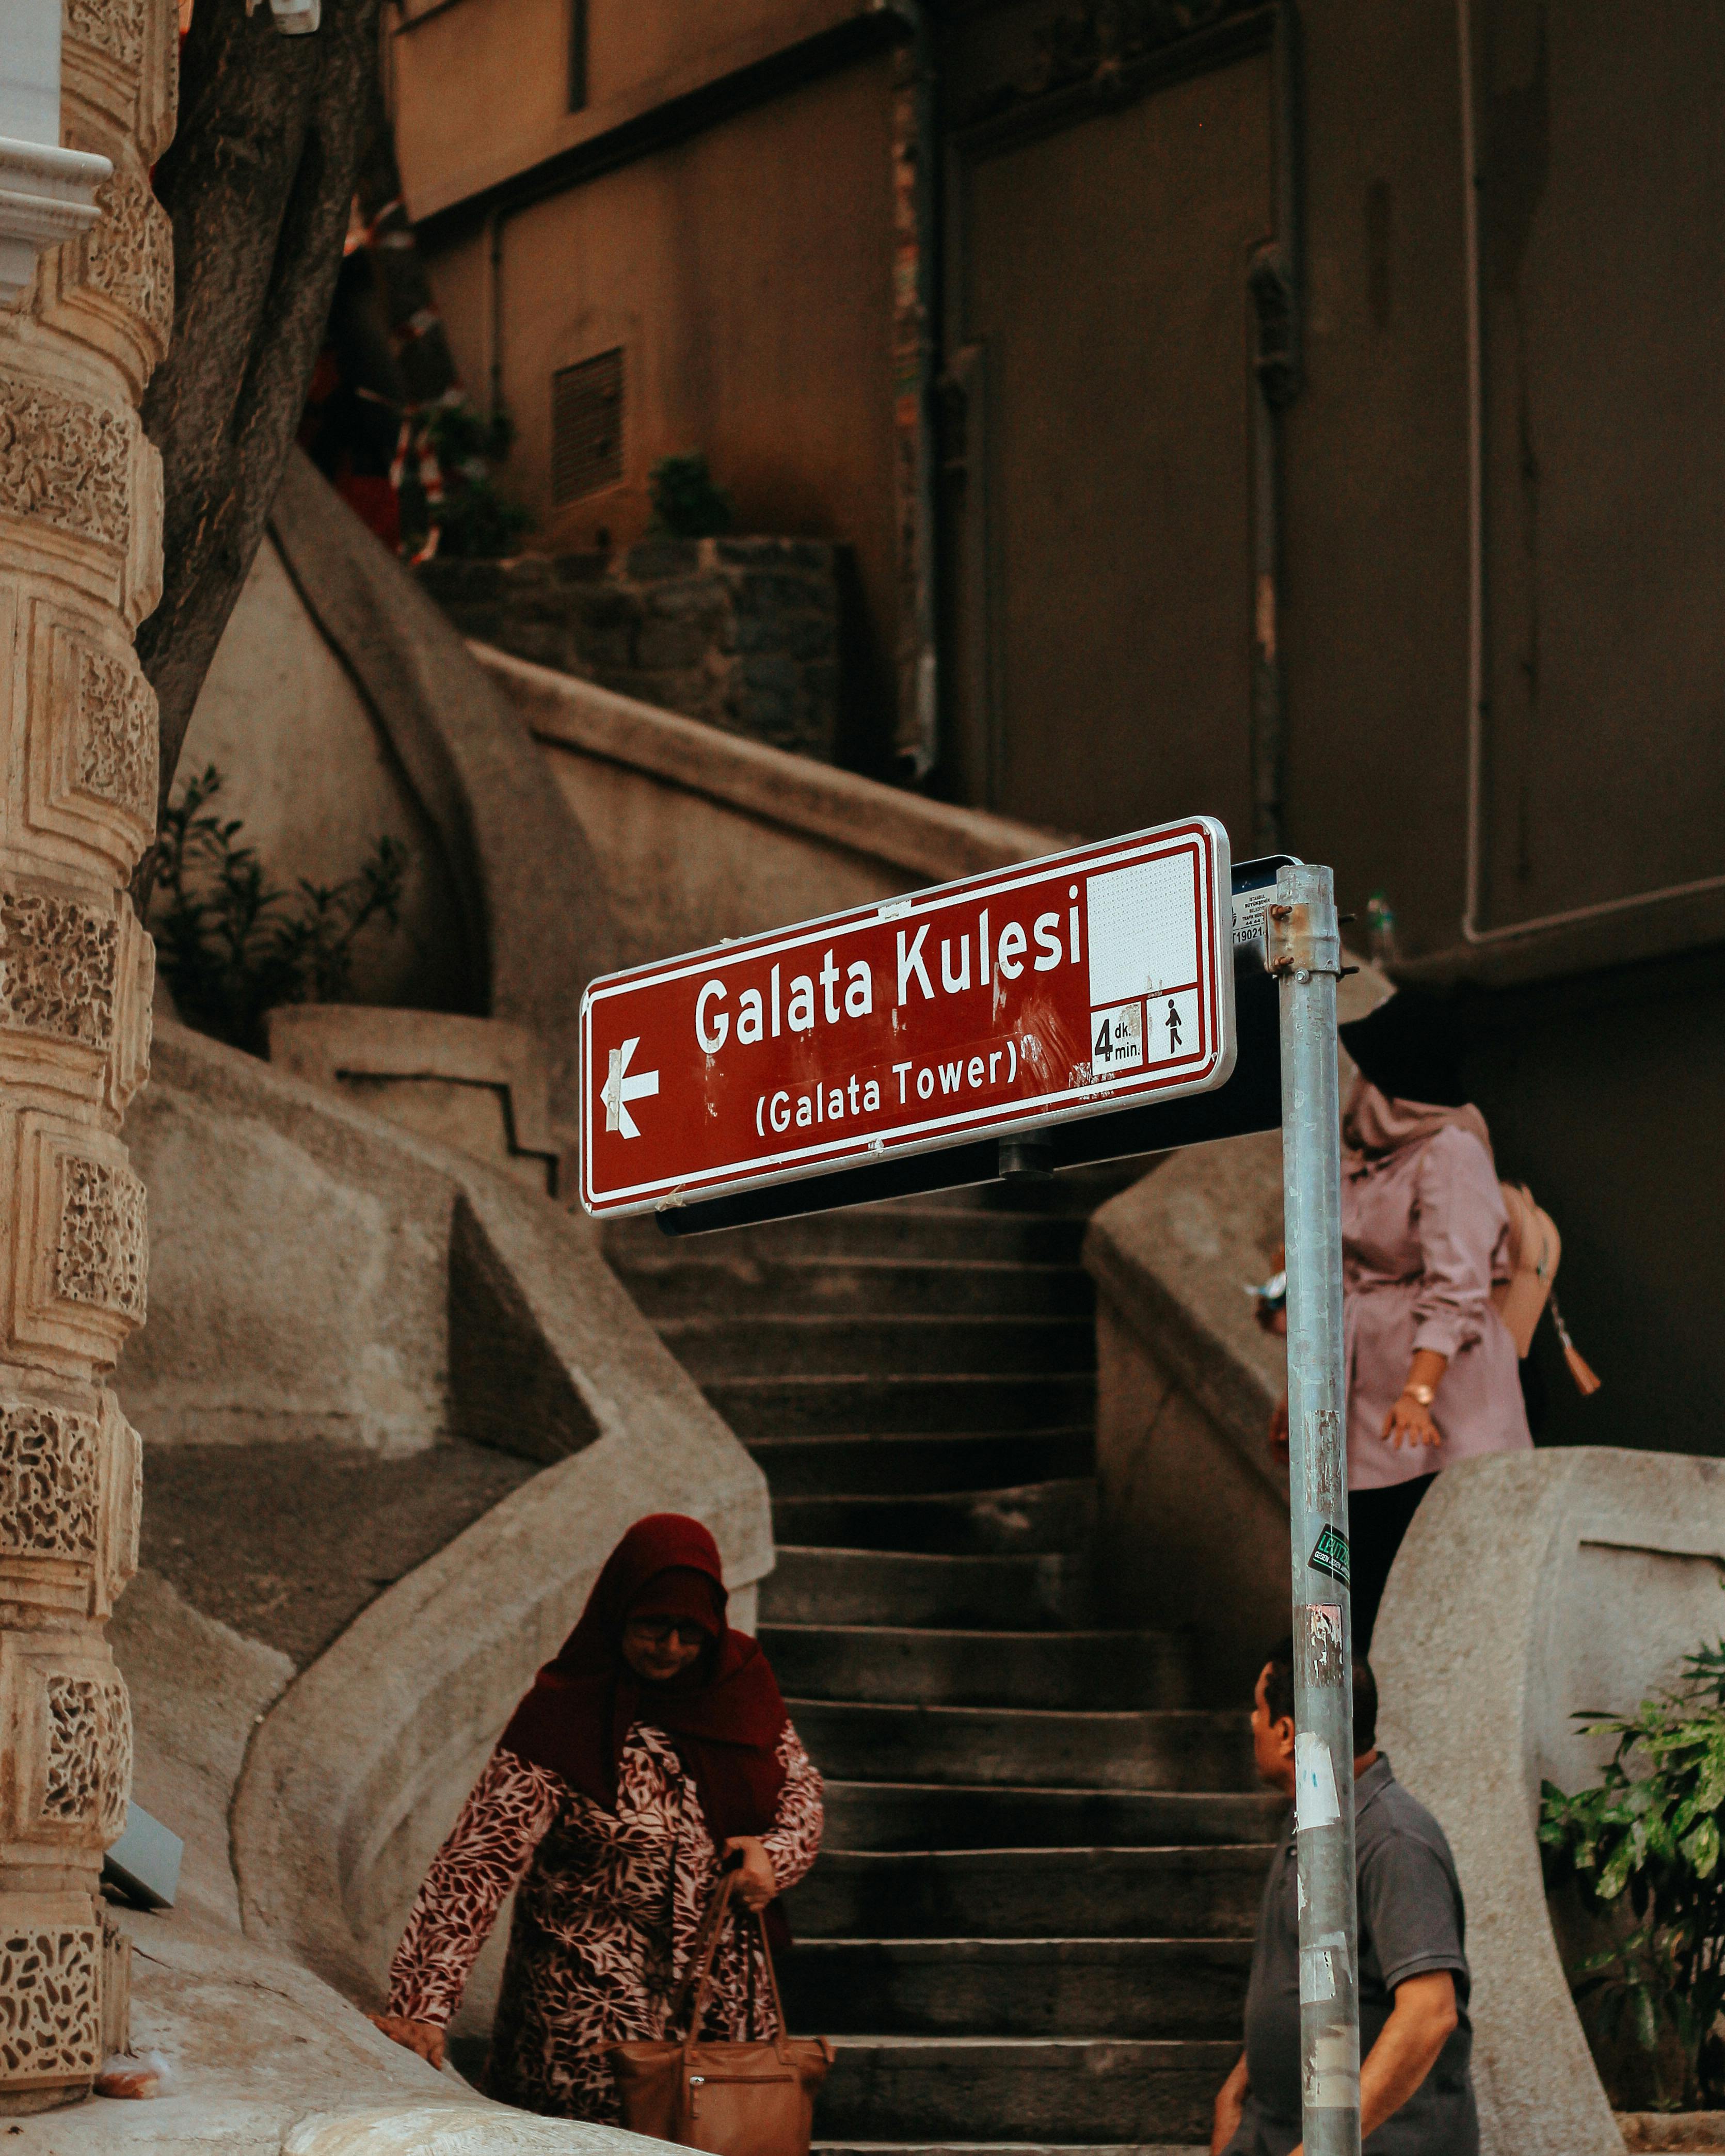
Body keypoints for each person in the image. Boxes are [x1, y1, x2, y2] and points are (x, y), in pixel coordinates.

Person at [369, 1513, 824, 2122]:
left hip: (720, 1997)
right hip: (587, 2000)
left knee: (716, 2138)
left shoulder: (739, 1686)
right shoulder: (566, 1709)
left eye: (690, 1632)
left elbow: (800, 1792)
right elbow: (479, 1859)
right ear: (619, 1611)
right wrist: (422, 2007)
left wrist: (775, 1858)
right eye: (652, 1626)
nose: (670, 1648)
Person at [1271, 988, 1531, 1652]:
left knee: (1417, 1586)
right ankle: (1332, 1692)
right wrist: (1298, 1392)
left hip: (1436, 1422)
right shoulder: (1360, 1160)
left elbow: (1459, 1285)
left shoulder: (1450, 1152)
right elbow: (1331, 1282)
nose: (1353, 1087)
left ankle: (1364, 1698)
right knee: (1341, 1572)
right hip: (1362, 1415)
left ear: (1390, 1086)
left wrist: (1419, 1391)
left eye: (1365, 1073)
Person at [1212, 1642, 1478, 2156]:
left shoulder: (1393, 1839)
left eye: (1258, 1709)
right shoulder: (1314, 1816)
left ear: (1286, 1733)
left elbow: (1430, 2012)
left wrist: (1324, 2147)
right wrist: (1238, 2092)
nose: (1251, 1722)